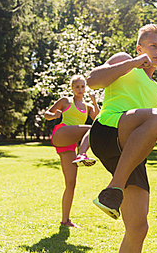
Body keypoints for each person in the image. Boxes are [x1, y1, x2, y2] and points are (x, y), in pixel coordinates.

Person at [87, 24, 157, 252]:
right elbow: (93, 80)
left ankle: (113, 192)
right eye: (153, 46)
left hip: (131, 154)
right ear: (139, 48)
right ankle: (114, 187)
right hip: (108, 130)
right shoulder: (125, 60)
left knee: (138, 228)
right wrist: (134, 63)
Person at [44, 75, 100, 228]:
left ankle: (65, 220)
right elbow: (46, 114)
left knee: (71, 183)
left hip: (69, 144)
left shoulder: (88, 106)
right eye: (77, 87)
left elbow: (99, 119)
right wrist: (54, 115)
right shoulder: (65, 101)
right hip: (61, 133)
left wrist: (94, 102)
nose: (80, 89)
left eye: (83, 86)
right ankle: (82, 153)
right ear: (72, 88)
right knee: (91, 129)